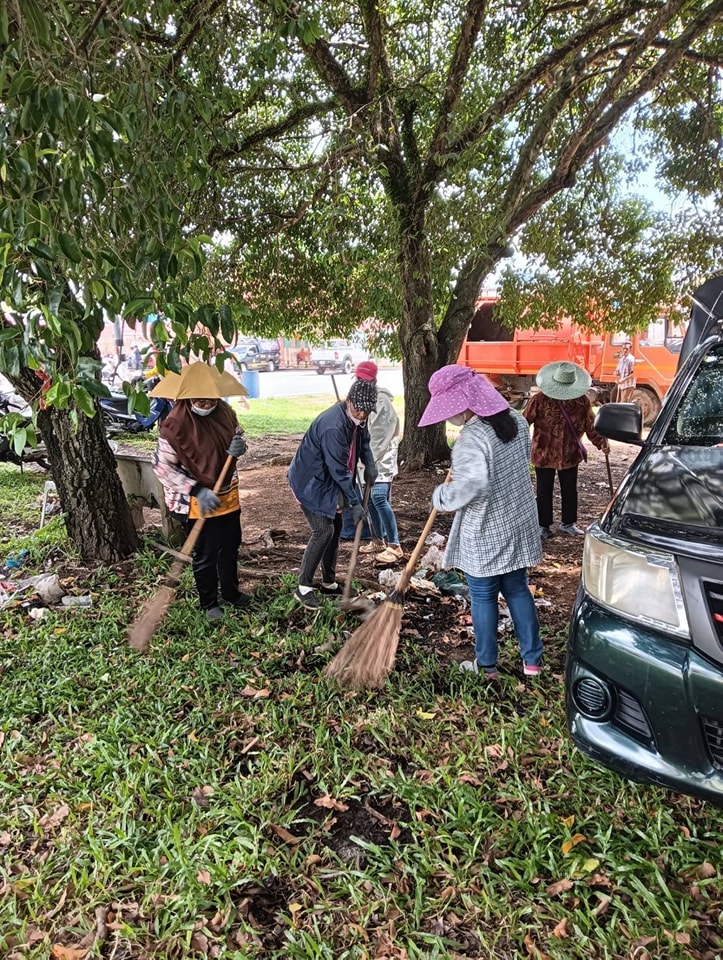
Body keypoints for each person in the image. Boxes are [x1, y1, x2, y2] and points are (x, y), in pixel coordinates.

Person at [419, 364, 543, 679]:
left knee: (483, 595)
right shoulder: (515, 419)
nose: (450, 416)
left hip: (487, 529)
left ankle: (486, 667)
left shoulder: (472, 438)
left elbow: (471, 486)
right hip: (519, 519)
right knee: (517, 588)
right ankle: (532, 663)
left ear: (466, 403)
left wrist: (441, 496)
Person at [152, 364, 250, 622]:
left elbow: (237, 434)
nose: (205, 404)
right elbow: (162, 468)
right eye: (199, 400)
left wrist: (239, 445)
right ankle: (208, 602)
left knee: (230, 545)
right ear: (187, 397)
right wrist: (196, 489)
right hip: (197, 500)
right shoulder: (175, 426)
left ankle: (231, 592)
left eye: (210, 399)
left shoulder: (225, 413)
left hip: (227, 493)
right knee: (206, 552)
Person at [288, 378, 378, 609]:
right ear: (348, 401)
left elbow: (364, 441)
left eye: (366, 411)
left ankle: (328, 583)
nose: (361, 414)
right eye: (358, 409)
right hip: (312, 481)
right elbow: (338, 469)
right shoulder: (333, 426)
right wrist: (355, 502)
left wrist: (369, 463)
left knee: (335, 529)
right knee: (323, 529)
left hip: (331, 481)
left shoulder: (359, 417)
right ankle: (304, 586)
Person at [524, 360, 609, 539]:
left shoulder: (581, 401)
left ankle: (568, 523)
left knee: (570, 489)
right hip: (544, 452)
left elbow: (590, 425)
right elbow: (524, 422)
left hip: (570, 453)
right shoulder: (539, 399)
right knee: (543, 490)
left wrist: (601, 442)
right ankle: (543, 525)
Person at [352, 361, 404, 564]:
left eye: (364, 380)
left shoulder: (381, 404)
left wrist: (367, 461)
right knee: (369, 499)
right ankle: (377, 539)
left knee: (379, 497)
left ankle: (395, 544)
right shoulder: (361, 399)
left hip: (380, 461)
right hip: (366, 460)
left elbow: (380, 440)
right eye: (358, 380)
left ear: (373, 381)